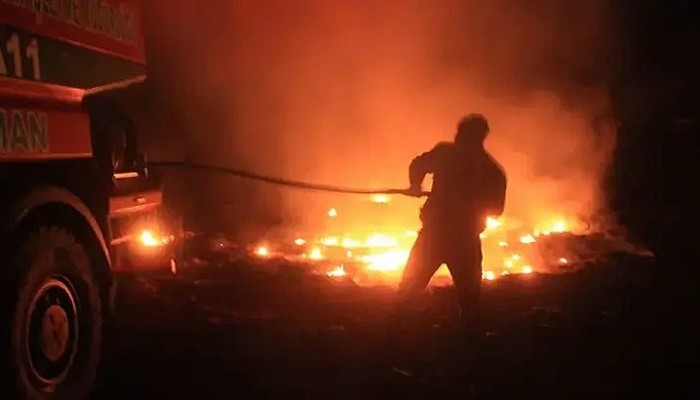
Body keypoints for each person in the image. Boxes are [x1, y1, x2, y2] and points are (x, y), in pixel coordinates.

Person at [397, 114, 507, 343]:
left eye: (460, 133)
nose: (457, 137)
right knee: (469, 296)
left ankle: (395, 336)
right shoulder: (493, 171)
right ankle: (471, 341)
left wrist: (416, 185)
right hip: (464, 240)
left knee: (410, 287)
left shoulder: (446, 154)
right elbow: (496, 210)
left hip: (436, 236)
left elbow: (418, 164)